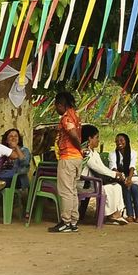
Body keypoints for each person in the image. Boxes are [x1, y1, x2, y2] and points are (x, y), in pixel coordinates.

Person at [79, 124, 128, 225]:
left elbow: (103, 168)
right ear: (90, 138)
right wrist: (115, 175)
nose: (98, 140)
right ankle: (110, 215)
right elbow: (97, 168)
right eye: (97, 137)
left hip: (93, 182)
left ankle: (116, 214)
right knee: (108, 189)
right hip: (85, 184)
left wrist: (115, 174)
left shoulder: (95, 153)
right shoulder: (85, 152)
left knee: (117, 187)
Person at [51, 90, 84, 233]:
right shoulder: (76, 115)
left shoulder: (66, 118)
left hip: (68, 157)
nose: (56, 109)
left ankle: (66, 221)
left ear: (60, 105)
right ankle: (73, 221)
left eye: (56, 106)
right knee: (73, 191)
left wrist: (78, 147)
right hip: (76, 159)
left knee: (65, 191)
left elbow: (73, 135)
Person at [112, 132, 138, 223]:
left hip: (132, 177)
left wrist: (129, 179)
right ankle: (130, 215)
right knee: (126, 188)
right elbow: (114, 168)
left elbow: (132, 167)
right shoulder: (113, 154)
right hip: (119, 178)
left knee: (134, 188)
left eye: (121, 140)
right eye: (117, 141)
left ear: (126, 141)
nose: (119, 142)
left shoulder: (133, 153)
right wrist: (123, 178)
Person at [0, 127, 31, 195]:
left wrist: (16, 147)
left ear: (19, 139)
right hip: (0, 177)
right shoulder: (3, 151)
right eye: (11, 136)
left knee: (0, 184)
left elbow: (25, 163)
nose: (13, 138)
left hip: (17, 178)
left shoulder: (24, 150)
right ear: (6, 140)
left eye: (16, 136)